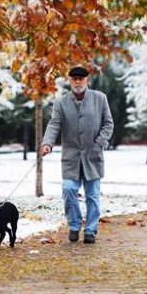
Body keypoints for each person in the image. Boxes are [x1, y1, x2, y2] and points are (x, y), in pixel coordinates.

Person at [40, 66, 114, 244]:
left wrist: (99, 143)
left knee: (92, 196)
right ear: (70, 81)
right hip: (71, 158)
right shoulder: (61, 102)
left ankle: (90, 230)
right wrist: (47, 143)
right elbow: (54, 124)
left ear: (87, 80)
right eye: (74, 79)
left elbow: (108, 124)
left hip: (93, 156)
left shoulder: (100, 99)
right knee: (68, 189)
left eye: (81, 78)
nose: (78, 81)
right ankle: (74, 225)